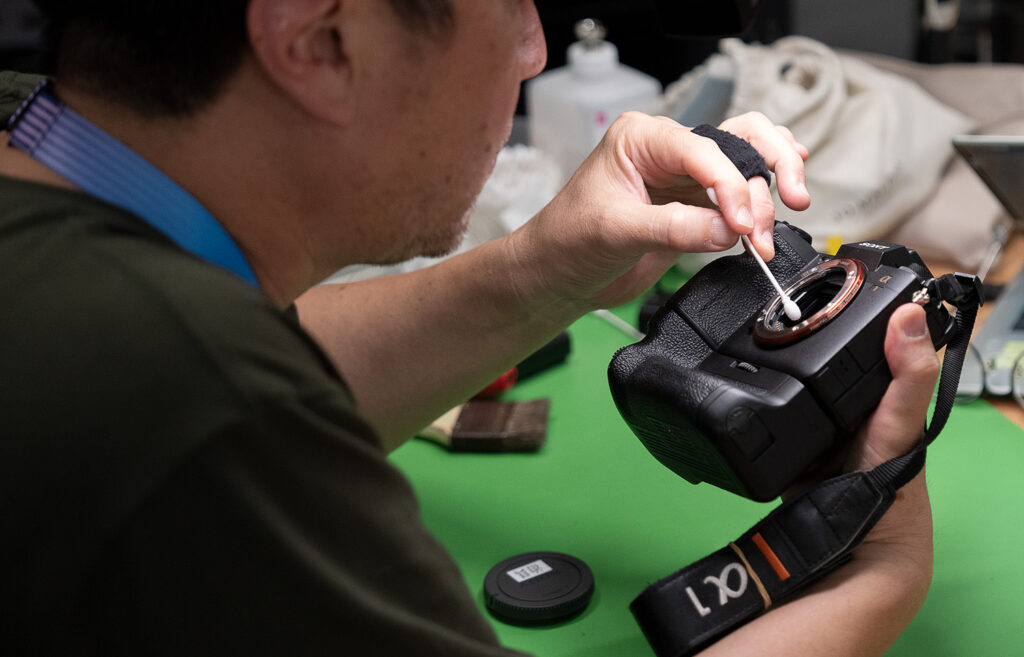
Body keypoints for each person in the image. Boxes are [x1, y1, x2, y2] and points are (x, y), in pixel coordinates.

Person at [0, 1, 937, 655]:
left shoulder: (41, 149)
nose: (534, 51)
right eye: (511, 7)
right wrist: (879, 565)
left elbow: (277, 359)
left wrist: (547, 267)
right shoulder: (180, 395)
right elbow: (213, 401)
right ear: (321, 40)